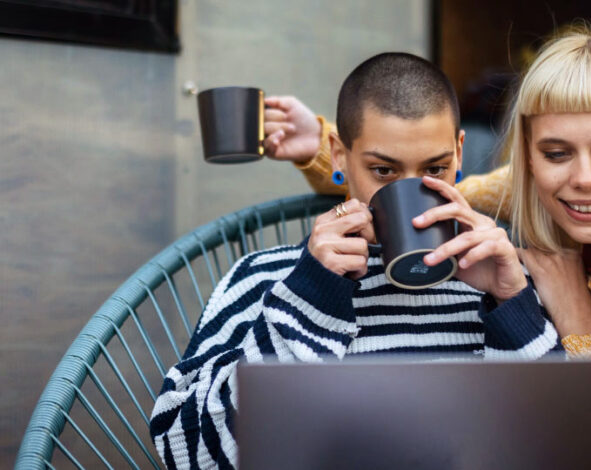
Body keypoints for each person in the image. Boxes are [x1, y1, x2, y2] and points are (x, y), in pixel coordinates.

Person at [265, 29, 591, 469]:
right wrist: (326, 149)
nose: (583, 179)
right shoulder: (537, 184)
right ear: (529, 158)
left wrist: (576, 320)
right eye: (556, 153)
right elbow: (432, 196)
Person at [150, 52, 566, 469]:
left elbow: (561, 449)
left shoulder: (507, 279)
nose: (412, 199)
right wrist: (310, 299)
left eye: (435, 169)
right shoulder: (266, 278)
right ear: (339, 156)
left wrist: (512, 306)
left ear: (459, 154)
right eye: (383, 171)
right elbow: (187, 456)